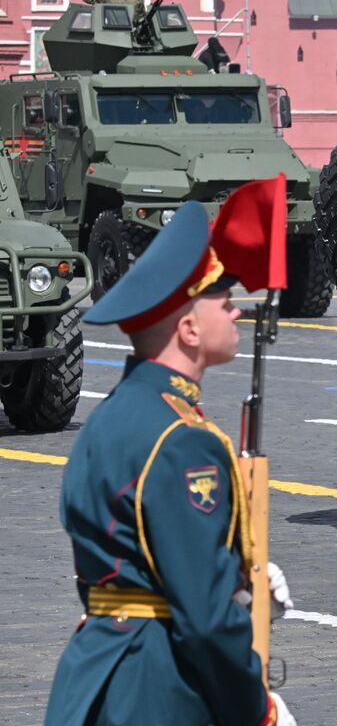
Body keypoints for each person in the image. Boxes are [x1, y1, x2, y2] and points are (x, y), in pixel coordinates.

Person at [44, 200, 296, 726]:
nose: (235, 309)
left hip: (97, 677)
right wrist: (257, 705)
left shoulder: (109, 419)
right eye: (221, 298)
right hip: (159, 688)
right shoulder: (184, 441)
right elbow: (203, 618)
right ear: (188, 330)